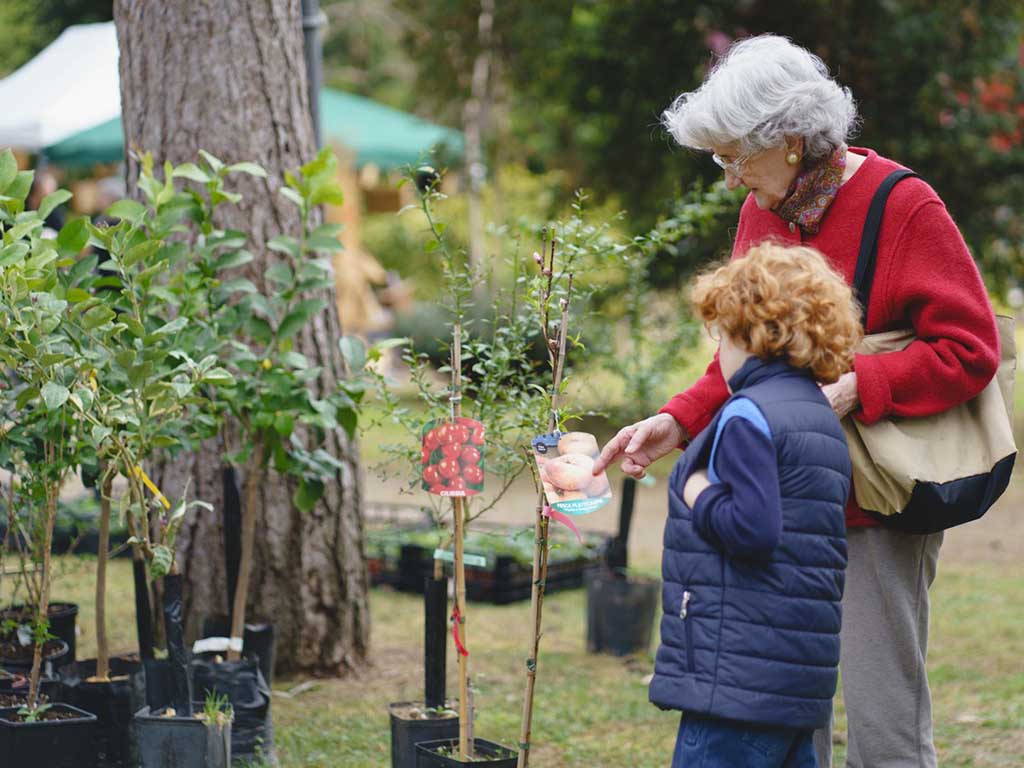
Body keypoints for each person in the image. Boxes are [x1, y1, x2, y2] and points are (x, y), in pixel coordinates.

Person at [593, 34, 1000, 767]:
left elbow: (971, 351)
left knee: (885, 730)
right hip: (776, 507)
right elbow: (747, 355)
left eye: (733, 158)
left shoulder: (904, 205)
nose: (727, 177)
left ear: (787, 140)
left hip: (873, 505)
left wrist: (861, 387)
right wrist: (676, 419)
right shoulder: (764, 211)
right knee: (782, 720)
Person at [654, 242, 860, 768]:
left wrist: (698, 489)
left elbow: (753, 529)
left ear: (751, 334)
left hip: (737, 679)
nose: (719, 349)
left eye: (721, 333)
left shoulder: (749, 415)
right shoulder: (817, 415)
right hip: (794, 678)